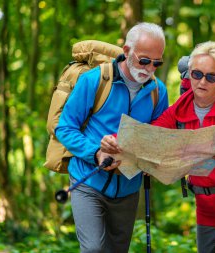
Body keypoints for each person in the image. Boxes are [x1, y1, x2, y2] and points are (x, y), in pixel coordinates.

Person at [100, 41, 215, 253]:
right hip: (207, 208)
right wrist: (115, 140)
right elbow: (148, 137)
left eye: (211, 76)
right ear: (189, 74)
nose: (202, 82)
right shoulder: (178, 112)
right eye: (197, 74)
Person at [55, 22, 168, 253]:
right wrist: (96, 152)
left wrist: (152, 158)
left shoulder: (159, 91)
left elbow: (159, 135)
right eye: (144, 60)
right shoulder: (94, 81)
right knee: (94, 249)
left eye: (157, 63)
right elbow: (64, 128)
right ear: (126, 52)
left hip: (128, 188)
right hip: (88, 180)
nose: (149, 68)